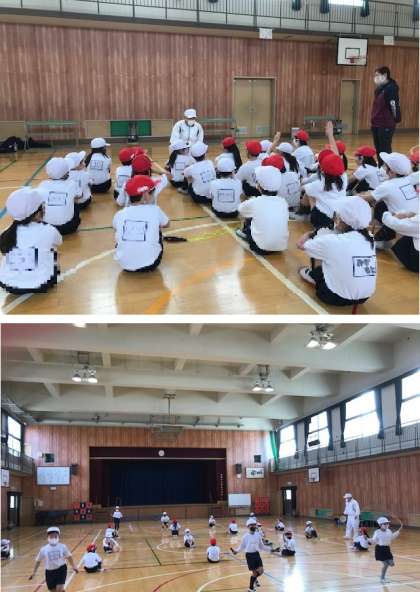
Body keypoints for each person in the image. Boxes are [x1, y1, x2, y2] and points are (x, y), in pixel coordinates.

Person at [298, 197, 376, 307]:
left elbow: (301, 245)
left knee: (319, 245)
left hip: (334, 297)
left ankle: (313, 276)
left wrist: (310, 234)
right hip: (365, 297)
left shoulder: (332, 241)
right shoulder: (370, 237)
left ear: (342, 219)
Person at [0, 187, 62, 294]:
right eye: (42, 206)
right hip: (40, 284)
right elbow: (59, 242)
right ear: (37, 214)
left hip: (7, 284)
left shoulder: (6, 232)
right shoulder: (48, 230)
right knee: (53, 251)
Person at [112, 175, 170, 273]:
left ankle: (129, 253)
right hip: (151, 264)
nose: (153, 194)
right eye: (152, 192)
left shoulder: (119, 214)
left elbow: (115, 228)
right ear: (145, 195)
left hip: (124, 265)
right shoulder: (155, 210)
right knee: (158, 229)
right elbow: (167, 224)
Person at [362, 152, 416, 249]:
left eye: (385, 166)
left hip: (406, 226)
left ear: (391, 172)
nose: (383, 167)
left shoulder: (387, 186)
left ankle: (391, 242)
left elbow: (366, 198)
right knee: (383, 208)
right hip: (413, 219)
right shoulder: (407, 180)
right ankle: (385, 239)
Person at [236, 165, 289, 255]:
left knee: (249, 215)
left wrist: (250, 200)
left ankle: (245, 232)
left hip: (259, 247)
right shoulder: (283, 202)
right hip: (281, 246)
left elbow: (240, 209)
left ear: (259, 186)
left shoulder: (255, 201)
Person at [38, 157, 80, 235]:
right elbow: (80, 196)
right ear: (66, 173)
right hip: (69, 227)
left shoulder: (42, 185)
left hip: (46, 227)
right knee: (75, 200)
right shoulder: (72, 184)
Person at [28, 527, 78, 591]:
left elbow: (69, 556)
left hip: (61, 569)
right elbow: (38, 561)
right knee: (53, 590)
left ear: (58, 537)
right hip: (49, 572)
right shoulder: (44, 549)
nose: (53, 538)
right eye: (51, 536)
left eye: (55, 536)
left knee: (59, 589)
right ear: (48, 537)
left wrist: (74, 566)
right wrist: (33, 573)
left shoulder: (62, 547)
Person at [231, 521, 275, 592]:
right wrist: (236, 551)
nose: (253, 526)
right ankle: (250, 588)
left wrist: (271, 549)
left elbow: (262, 546)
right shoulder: (245, 536)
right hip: (249, 555)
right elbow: (241, 547)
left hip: (256, 554)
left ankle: (254, 579)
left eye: (254, 525)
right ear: (248, 526)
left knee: (261, 571)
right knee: (254, 573)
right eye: (251, 525)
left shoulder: (258, 535)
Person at [371, 66, 401, 165]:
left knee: (385, 150)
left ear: (385, 75)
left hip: (385, 124)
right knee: (379, 149)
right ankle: (381, 167)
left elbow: (393, 104)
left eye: (377, 75)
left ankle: (388, 169)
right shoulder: (379, 89)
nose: (375, 77)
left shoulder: (391, 88)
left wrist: (396, 118)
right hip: (376, 124)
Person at [369, 516, 402, 584]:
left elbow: (391, 537)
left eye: (387, 523)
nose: (387, 525)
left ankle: (382, 576)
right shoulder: (377, 532)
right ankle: (382, 578)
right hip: (380, 549)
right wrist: (368, 540)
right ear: (380, 525)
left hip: (387, 549)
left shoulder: (389, 531)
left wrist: (398, 531)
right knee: (386, 564)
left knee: (391, 564)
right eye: (385, 524)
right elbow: (374, 541)